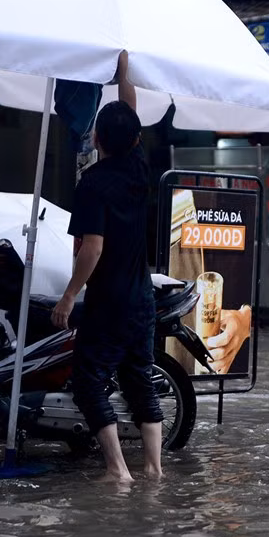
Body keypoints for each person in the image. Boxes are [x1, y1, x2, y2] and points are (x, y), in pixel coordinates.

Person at [52, 51, 164, 482]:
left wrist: (67, 296)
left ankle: (118, 470)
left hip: (108, 302)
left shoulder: (93, 185)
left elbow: (92, 248)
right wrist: (123, 72)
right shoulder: (139, 167)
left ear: (96, 139)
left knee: (88, 381)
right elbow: (129, 112)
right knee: (140, 381)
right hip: (142, 300)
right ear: (135, 141)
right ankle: (154, 470)